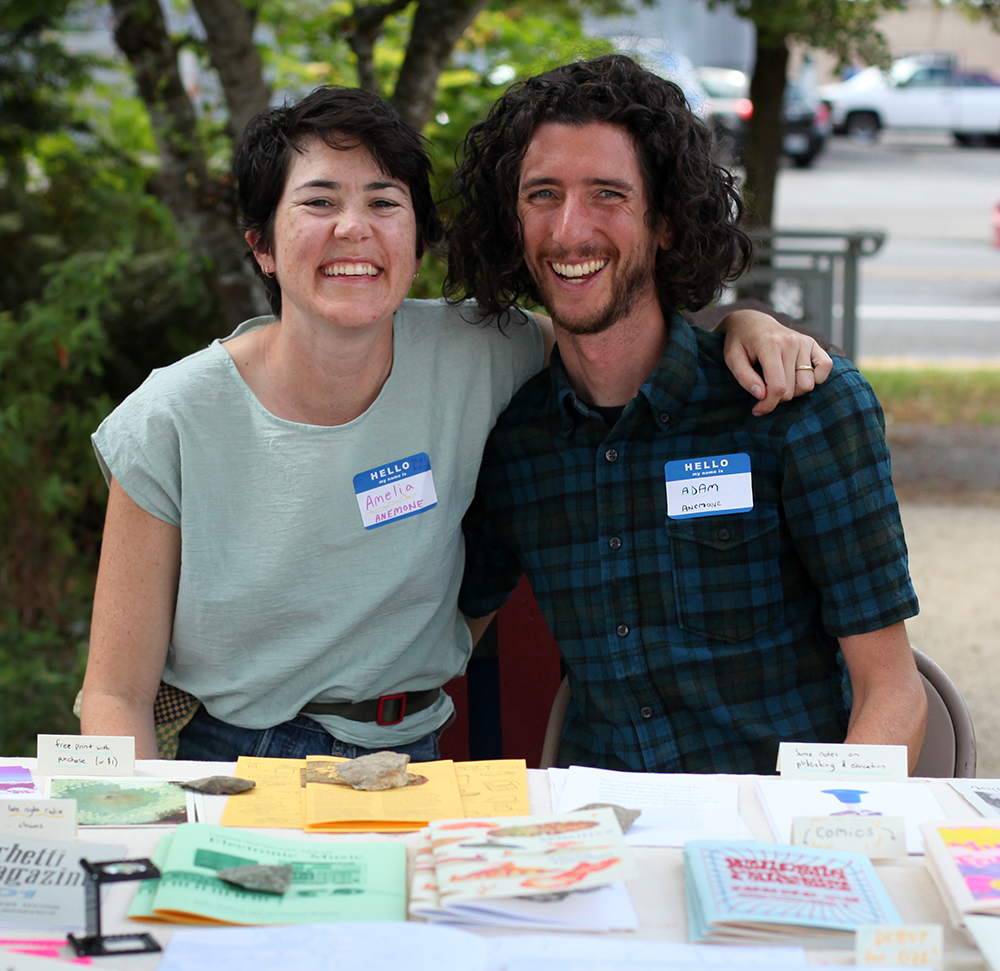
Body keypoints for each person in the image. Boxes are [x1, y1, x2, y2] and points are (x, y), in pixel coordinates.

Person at [79, 85, 829, 762]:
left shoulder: (478, 350)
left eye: (384, 202)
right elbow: (114, 695)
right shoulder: (171, 418)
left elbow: (622, 340)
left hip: (412, 758)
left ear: (417, 239)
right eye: (318, 202)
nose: (354, 229)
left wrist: (744, 324)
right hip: (237, 760)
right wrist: (144, 834)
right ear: (263, 247)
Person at [454, 56, 928, 775]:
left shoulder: (798, 410)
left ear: (668, 221)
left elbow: (892, 691)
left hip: (776, 819)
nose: (568, 229)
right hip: (602, 827)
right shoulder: (517, 444)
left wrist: (823, 827)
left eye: (607, 194)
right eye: (542, 195)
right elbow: (439, 636)